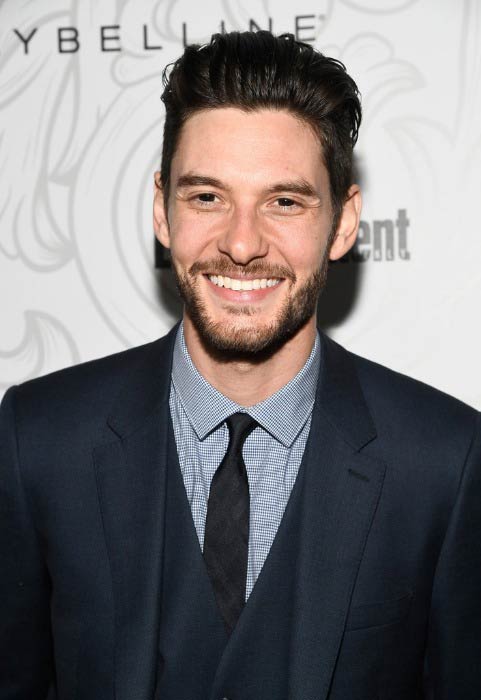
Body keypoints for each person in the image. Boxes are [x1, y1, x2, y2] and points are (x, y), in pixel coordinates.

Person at [1, 30, 480, 700]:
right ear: (161, 210)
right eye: (207, 197)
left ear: (342, 224)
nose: (242, 242)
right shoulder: (39, 439)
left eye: (284, 201)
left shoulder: (443, 461)